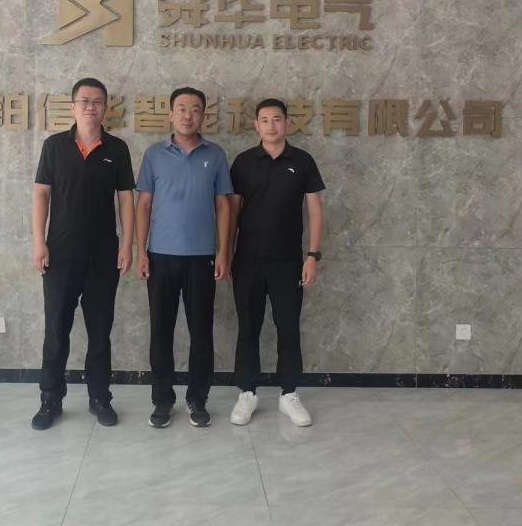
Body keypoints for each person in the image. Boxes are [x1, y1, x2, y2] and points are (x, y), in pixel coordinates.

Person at [30, 77, 135, 430]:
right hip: (60, 255)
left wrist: (127, 245)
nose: (91, 106)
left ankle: (100, 398)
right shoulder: (54, 146)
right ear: (73, 106)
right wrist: (39, 242)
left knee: (100, 333)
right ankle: (50, 400)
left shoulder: (117, 149)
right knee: (56, 331)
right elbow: (41, 195)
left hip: (103, 257)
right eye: (85, 100)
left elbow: (126, 200)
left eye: (97, 101)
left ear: (105, 107)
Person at [136, 87, 233, 429]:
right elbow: (143, 204)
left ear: (203, 115)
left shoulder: (215, 155)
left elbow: (223, 206)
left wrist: (223, 252)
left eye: (194, 109)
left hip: (202, 257)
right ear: (170, 114)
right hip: (160, 256)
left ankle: (197, 398)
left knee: (201, 332)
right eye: (181, 108)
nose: (187, 115)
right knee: (160, 332)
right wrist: (141, 252)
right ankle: (162, 400)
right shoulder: (154, 155)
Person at [227, 98, 325, 427]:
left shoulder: (303, 161)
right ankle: (247, 393)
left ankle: (289, 394)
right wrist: (226, 253)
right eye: (265, 120)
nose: (271, 125)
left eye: (277, 119)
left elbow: (314, 210)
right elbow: (231, 212)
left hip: (288, 262)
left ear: (287, 123)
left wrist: (312, 255)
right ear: (256, 125)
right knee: (248, 328)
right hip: (247, 261)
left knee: (288, 328)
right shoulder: (243, 162)